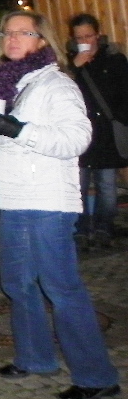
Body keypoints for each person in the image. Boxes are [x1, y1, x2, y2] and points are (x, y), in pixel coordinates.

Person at [0, 10, 120, 399]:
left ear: (42, 40)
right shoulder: (14, 82)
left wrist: (18, 130)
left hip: (47, 201)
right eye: (7, 32)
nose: (12, 39)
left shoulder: (56, 84)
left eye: (23, 33)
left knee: (61, 288)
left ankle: (97, 376)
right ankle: (35, 357)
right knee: (17, 284)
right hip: (14, 199)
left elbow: (76, 139)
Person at [67, 13, 128, 248]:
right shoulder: (66, 62)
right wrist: (74, 67)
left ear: (98, 34)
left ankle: (105, 228)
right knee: (78, 187)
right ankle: (81, 230)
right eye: (79, 37)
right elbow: (60, 90)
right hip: (78, 134)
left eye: (89, 36)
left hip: (106, 134)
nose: (85, 41)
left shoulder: (114, 59)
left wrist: (119, 119)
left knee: (107, 187)